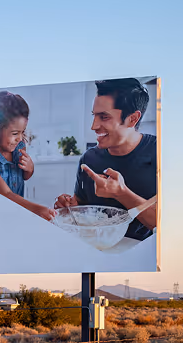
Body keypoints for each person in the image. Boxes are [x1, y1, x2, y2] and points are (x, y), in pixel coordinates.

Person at [54, 78, 157, 241]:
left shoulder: (159, 152)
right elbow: (82, 207)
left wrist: (121, 193)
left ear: (132, 118)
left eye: (104, 117)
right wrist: (71, 207)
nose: (93, 126)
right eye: (94, 116)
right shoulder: (88, 158)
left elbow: (166, 224)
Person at [0, 91, 55, 220]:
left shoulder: (19, 148)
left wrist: (30, 169)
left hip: (14, 216)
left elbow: (24, 177)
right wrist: (37, 209)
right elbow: (5, 193)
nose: (20, 138)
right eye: (15, 133)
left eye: (22, 132)